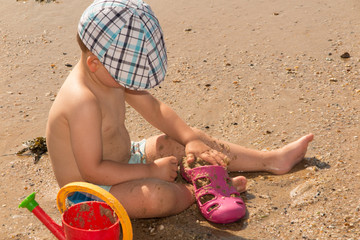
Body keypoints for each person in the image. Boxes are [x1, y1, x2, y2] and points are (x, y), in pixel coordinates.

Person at [46, 0, 314, 219]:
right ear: (94, 62)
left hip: (127, 157)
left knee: (183, 140)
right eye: (128, 75)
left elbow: (154, 109)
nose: (131, 82)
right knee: (154, 196)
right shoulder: (82, 102)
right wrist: (150, 171)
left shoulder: (107, 74)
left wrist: (190, 139)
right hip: (92, 192)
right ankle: (199, 191)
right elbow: (93, 171)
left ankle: (269, 160)